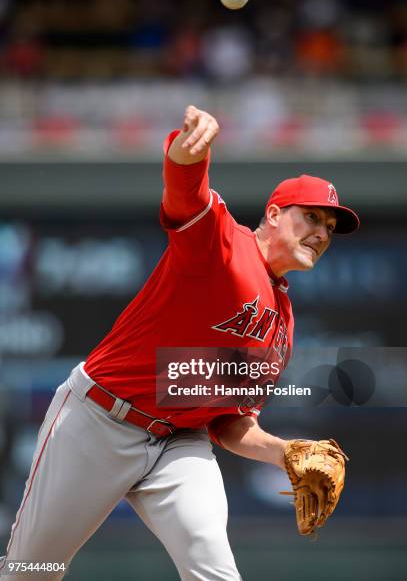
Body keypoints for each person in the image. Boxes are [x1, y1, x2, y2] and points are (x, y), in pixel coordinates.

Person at [0, 105, 359, 581]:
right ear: (273, 214)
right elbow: (186, 196)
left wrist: (285, 451)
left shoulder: (282, 328)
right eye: (311, 217)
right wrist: (186, 155)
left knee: (215, 571)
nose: (320, 233)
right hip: (100, 421)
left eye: (330, 228)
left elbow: (229, 423)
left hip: (179, 443)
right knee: (32, 570)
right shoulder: (223, 244)